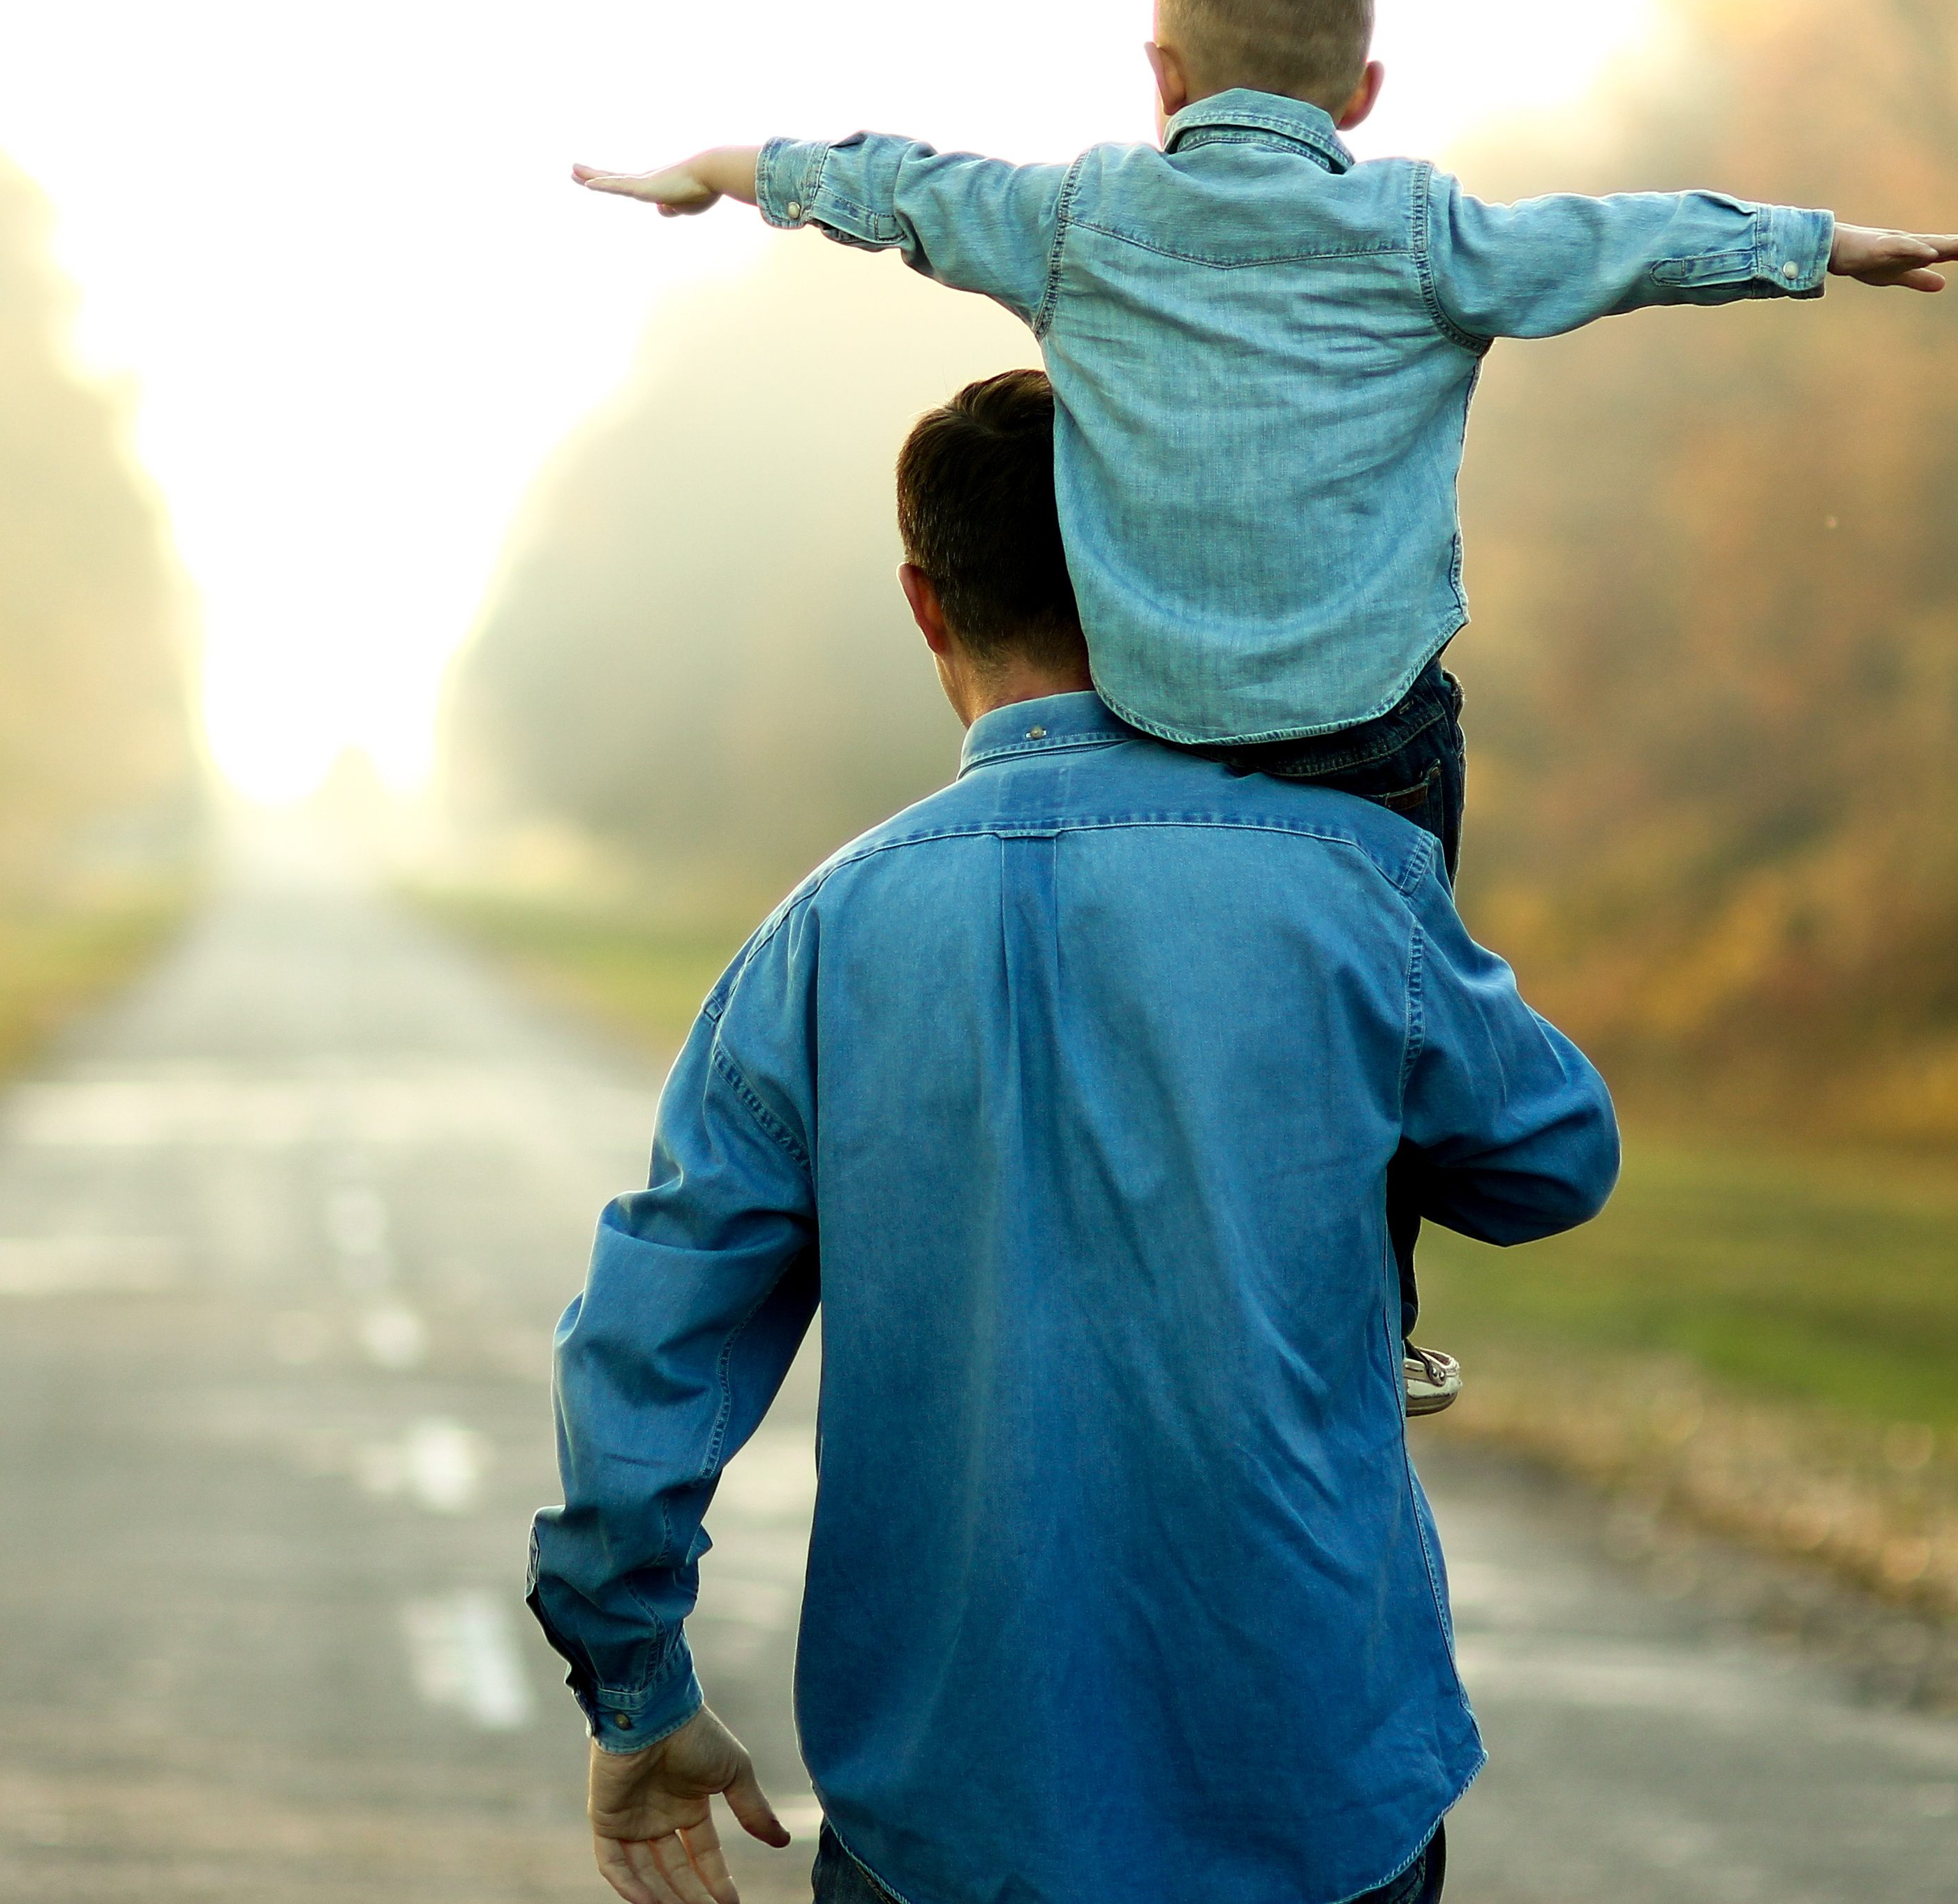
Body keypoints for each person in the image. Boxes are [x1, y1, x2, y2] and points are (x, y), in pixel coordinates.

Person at [572, 0, 1958, 1408]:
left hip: (1154, 730)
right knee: (1382, 1024)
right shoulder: (1426, 233)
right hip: (1372, 747)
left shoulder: (1078, 222)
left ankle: (1123, 1247)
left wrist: (723, 175)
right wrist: (1820, 244)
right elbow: (1623, 244)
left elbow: (898, 185)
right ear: (1362, 95)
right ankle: (1367, 1324)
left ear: (1163, 73)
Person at [524, 370, 1621, 1904]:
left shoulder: (820, 943)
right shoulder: (1350, 881)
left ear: (925, 605)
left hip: (949, 1832)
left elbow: (642, 1360)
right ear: (1164, 561)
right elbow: (1557, 1162)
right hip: (1318, 1804)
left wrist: (633, 1686)